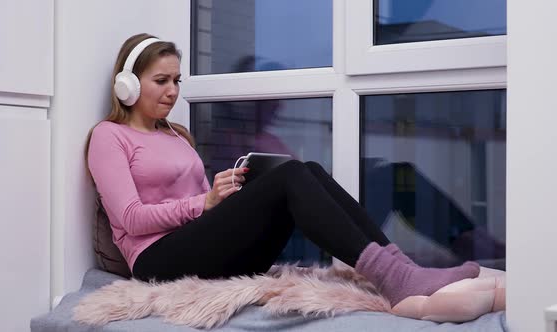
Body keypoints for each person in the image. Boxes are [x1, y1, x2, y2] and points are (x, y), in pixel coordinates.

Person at [85, 33, 481, 309]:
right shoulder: (109, 137)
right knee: (291, 176)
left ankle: (401, 271)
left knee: (305, 169)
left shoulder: (177, 135)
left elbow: (202, 206)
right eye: (161, 81)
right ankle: (397, 277)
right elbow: (131, 219)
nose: (173, 91)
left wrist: (227, 197)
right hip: (156, 261)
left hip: (199, 249)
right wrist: (203, 204)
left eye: (177, 80)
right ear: (128, 86)